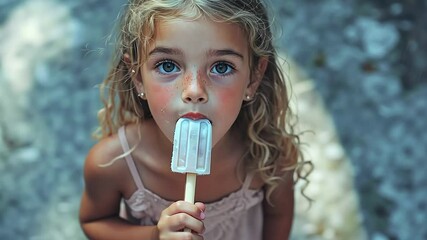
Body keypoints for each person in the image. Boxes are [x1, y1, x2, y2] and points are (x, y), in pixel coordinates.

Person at [79, 0, 311, 239]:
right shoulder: (112, 163)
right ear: (138, 77)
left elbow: (278, 218)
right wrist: (155, 236)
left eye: (221, 67)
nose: (194, 90)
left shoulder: (269, 158)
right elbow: (94, 221)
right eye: (168, 65)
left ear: (253, 77)